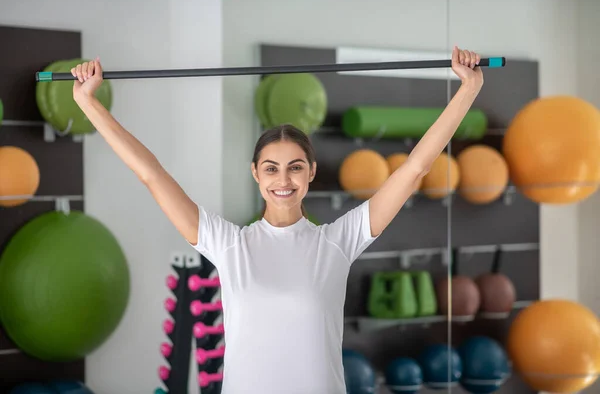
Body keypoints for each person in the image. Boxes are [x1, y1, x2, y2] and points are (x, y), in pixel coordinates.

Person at [71, 46, 483, 394]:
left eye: (295, 167)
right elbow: (151, 174)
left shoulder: (337, 242)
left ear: (311, 172)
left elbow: (414, 170)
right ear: (255, 173)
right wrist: (88, 102)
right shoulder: (228, 244)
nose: (283, 180)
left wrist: (469, 88)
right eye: (271, 168)